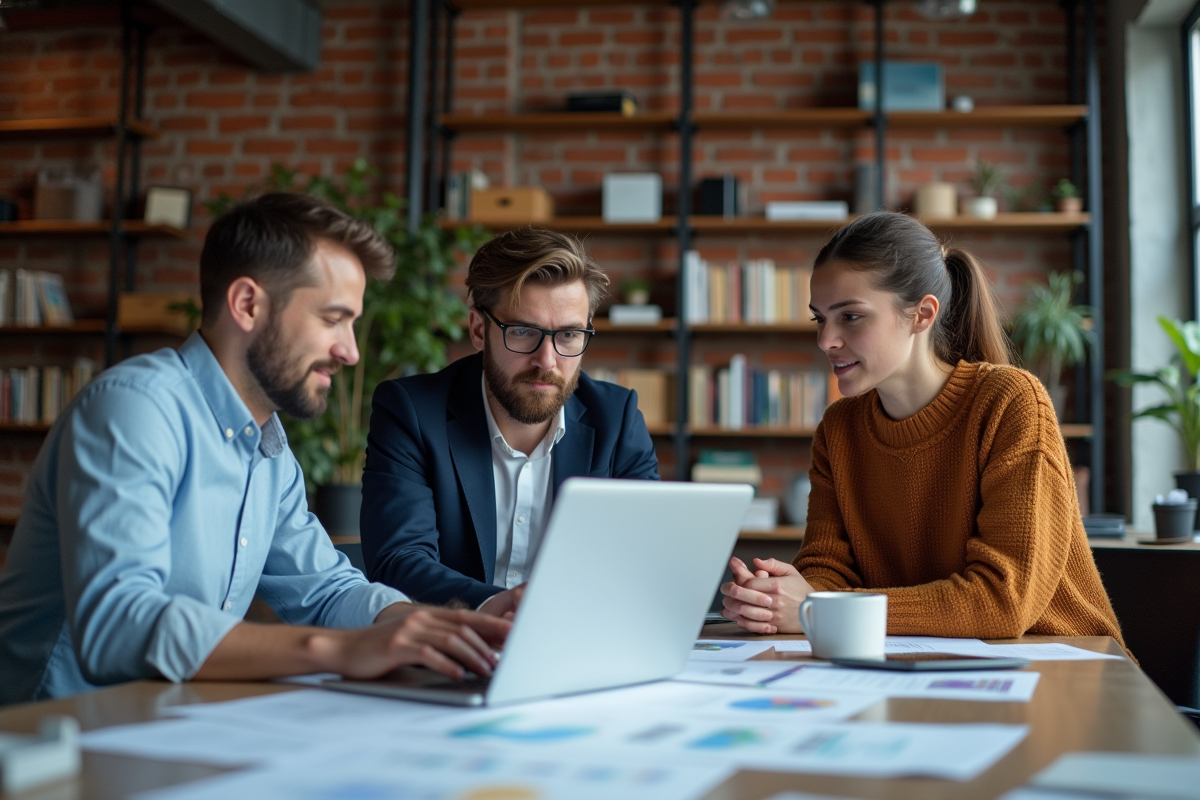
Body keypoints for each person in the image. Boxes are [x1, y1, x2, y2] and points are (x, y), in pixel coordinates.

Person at [0, 193, 514, 705]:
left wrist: (441, 627)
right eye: (332, 319)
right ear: (248, 304)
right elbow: (116, 626)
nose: (351, 351)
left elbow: (327, 590)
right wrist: (337, 650)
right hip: (52, 747)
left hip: (163, 731)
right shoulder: (136, 408)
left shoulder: (268, 452)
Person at [720, 211, 1124, 644]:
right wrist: (778, 599)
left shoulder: (1010, 403)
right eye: (819, 318)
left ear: (922, 315)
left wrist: (816, 608)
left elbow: (1002, 602)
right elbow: (827, 572)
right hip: (926, 660)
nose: (826, 340)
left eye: (851, 317)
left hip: (1061, 666)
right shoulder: (839, 429)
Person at [361, 227, 660, 609]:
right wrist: (498, 608)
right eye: (522, 332)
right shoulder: (411, 412)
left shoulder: (617, 419)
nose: (547, 361)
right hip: (457, 646)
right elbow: (397, 562)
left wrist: (747, 598)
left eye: (568, 335)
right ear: (478, 329)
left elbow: (648, 561)